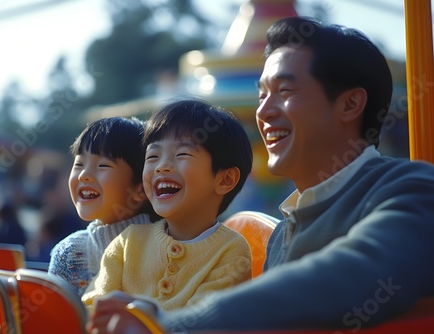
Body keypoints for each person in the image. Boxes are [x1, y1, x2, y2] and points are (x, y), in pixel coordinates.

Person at [85, 17, 434, 333]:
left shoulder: (411, 188)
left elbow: (361, 271)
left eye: (284, 91)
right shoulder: (283, 233)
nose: (263, 112)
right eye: (262, 94)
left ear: (350, 104)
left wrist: (171, 324)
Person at [82, 98, 254, 312]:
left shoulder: (231, 251)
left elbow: (200, 320)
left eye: (182, 154)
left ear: (225, 180)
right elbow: (93, 304)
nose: (162, 166)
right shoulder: (128, 241)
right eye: (152, 156)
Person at [48, 117, 157, 296]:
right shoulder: (69, 254)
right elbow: (58, 318)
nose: (84, 175)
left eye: (103, 165)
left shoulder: (167, 247)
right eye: (79, 164)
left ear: (141, 189)